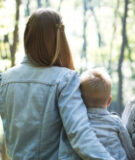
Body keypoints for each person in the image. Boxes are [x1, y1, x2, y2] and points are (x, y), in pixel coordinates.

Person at [0, 9, 113, 160]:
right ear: (59, 38)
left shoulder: (5, 80)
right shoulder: (64, 79)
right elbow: (80, 136)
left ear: (27, 36)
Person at [79, 68, 135, 160]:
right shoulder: (115, 121)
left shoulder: (79, 123)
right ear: (109, 101)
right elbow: (129, 149)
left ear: (81, 100)